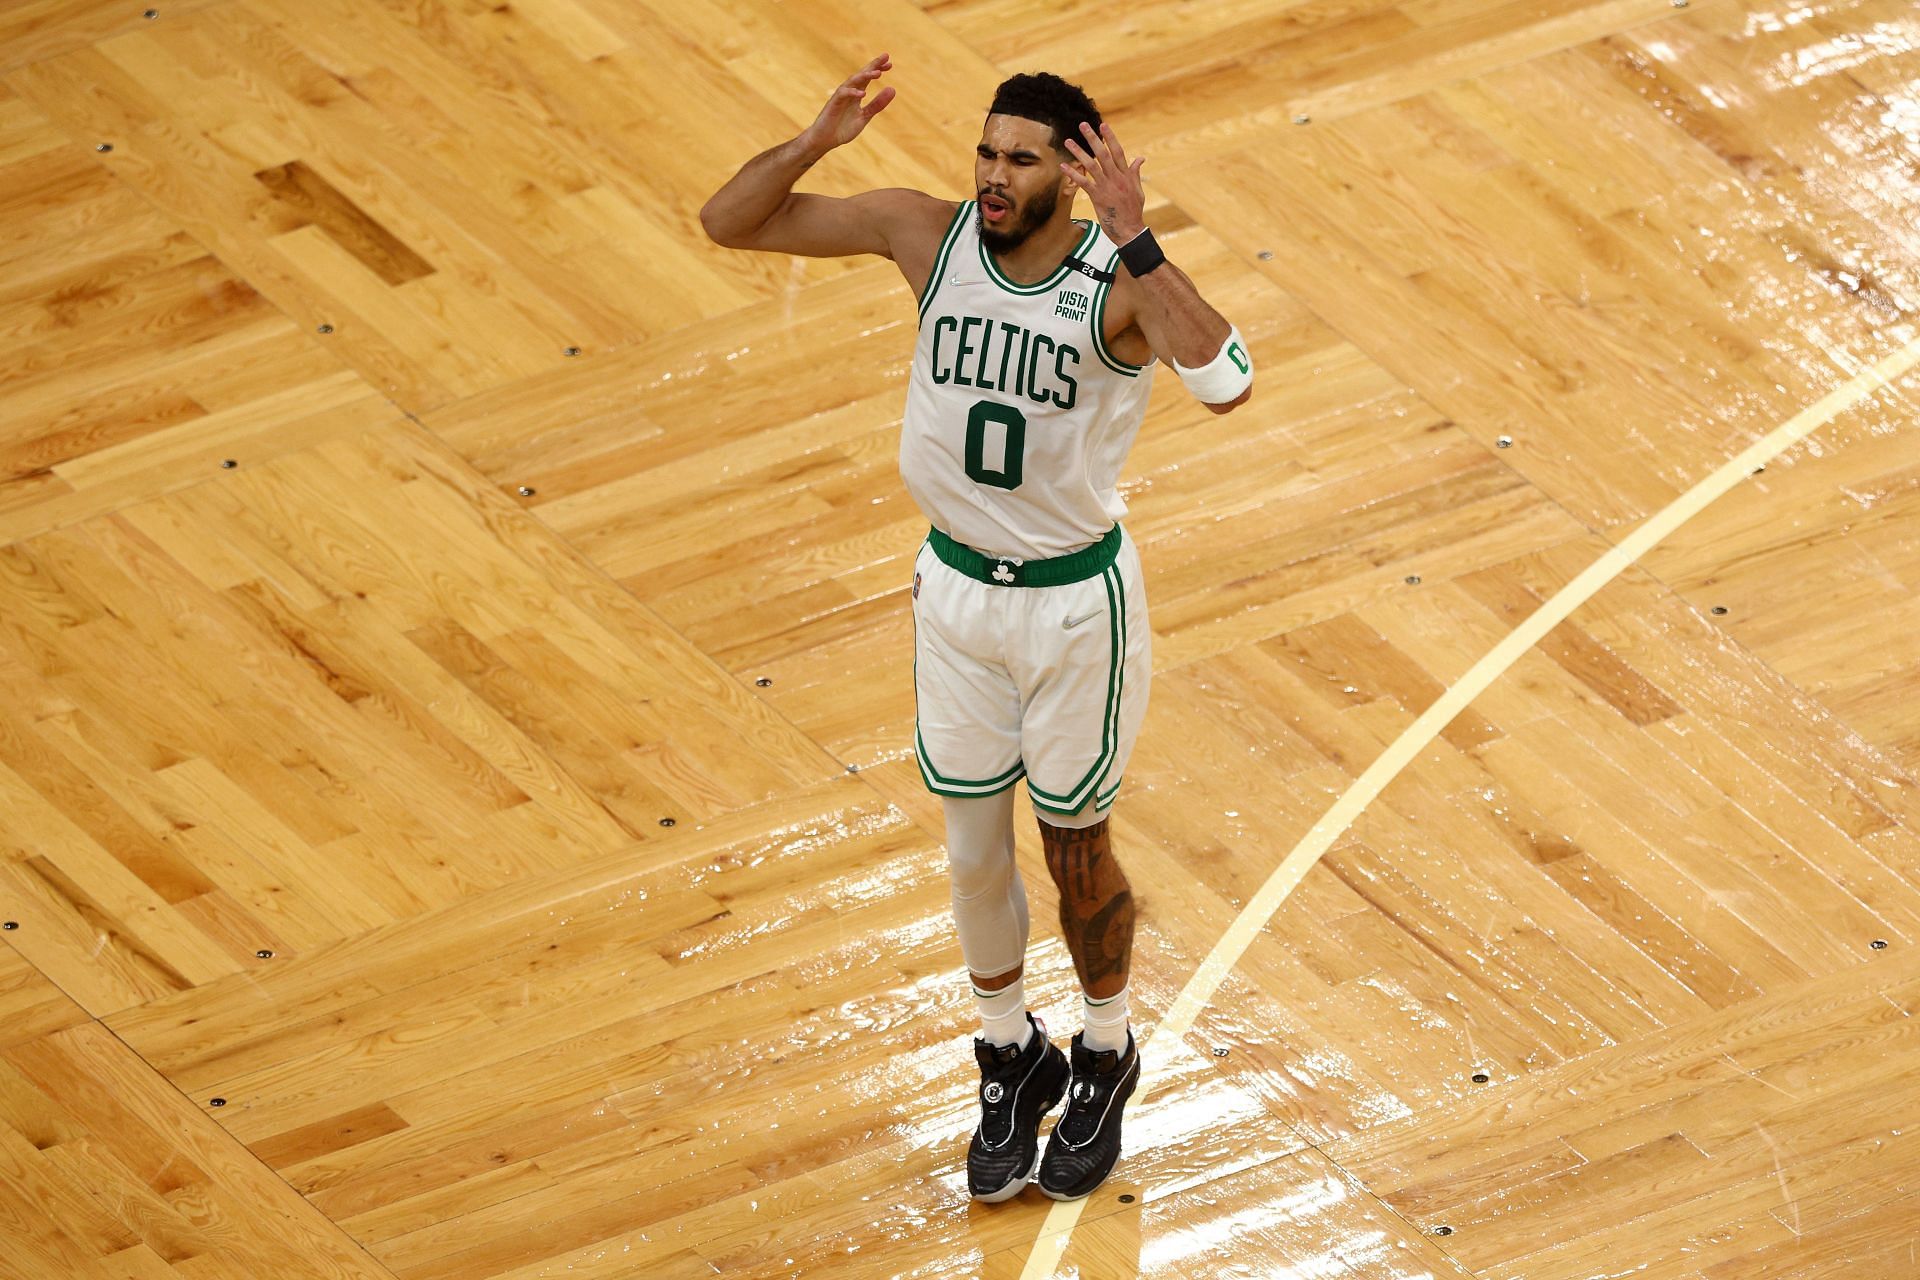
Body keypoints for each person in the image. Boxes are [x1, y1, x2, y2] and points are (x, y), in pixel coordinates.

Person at [700, 54, 1252, 1202]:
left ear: (1076, 170)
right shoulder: (926, 234)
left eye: (1022, 160)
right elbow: (729, 222)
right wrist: (815, 142)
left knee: (1074, 847)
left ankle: (1106, 1049)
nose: (994, 177)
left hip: (1071, 605)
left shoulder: (1115, 286)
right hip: (953, 590)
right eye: (986, 154)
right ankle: (1011, 1048)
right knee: (968, 843)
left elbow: (1224, 378)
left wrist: (1138, 233)